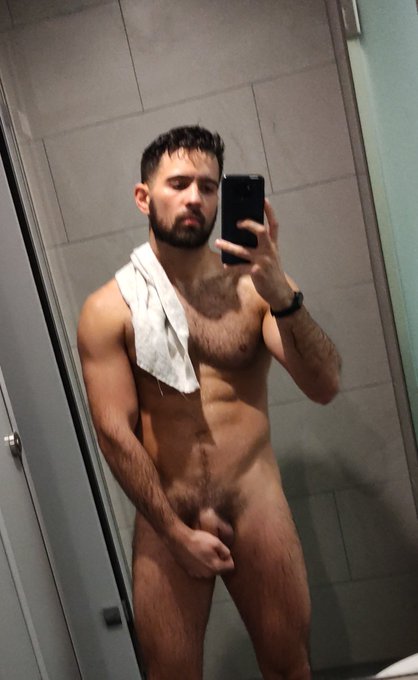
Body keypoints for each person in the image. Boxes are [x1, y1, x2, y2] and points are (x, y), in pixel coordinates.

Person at [77, 125, 341, 680]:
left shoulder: (255, 291)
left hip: (255, 503)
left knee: (290, 669)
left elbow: (324, 385)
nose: (195, 197)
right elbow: (113, 432)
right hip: (166, 514)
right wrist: (176, 534)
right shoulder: (109, 310)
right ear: (144, 197)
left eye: (208, 186)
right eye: (178, 184)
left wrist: (283, 295)